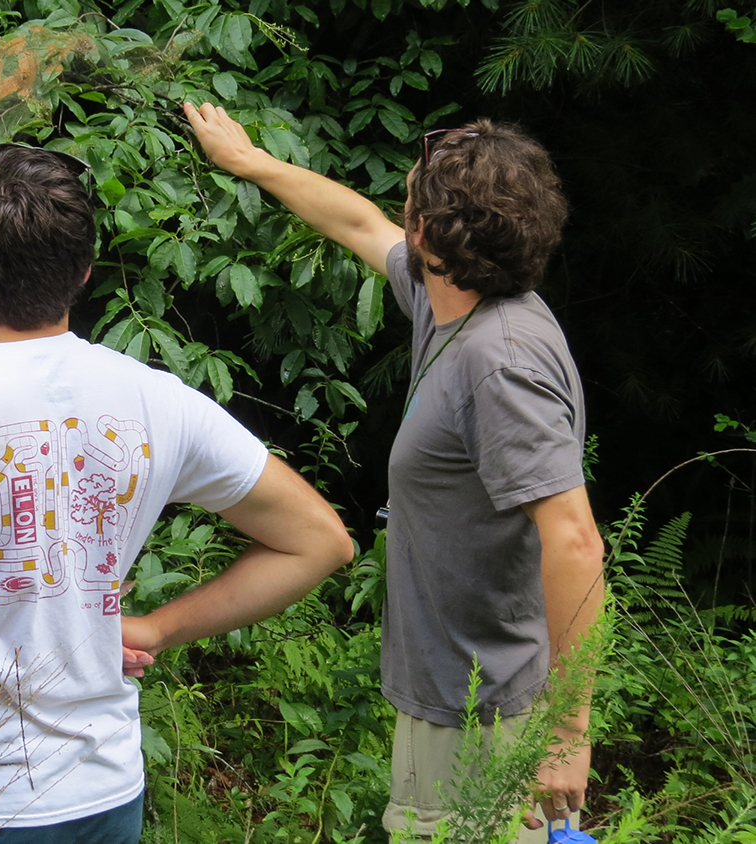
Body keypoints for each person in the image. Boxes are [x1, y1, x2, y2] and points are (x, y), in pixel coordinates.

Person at [0, 145, 354, 844]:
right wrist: (159, 628)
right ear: (85, 273)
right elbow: (322, 540)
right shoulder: (158, 400)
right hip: (103, 797)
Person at [183, 103, 606, 840]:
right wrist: (252, 163)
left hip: (484, 714)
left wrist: (568, 734)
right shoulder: (450, 302)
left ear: (431, 233)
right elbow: (355, 226)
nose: (397, 209)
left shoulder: (498, 361)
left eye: (408, 196)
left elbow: (575, 542)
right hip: (455, 693)